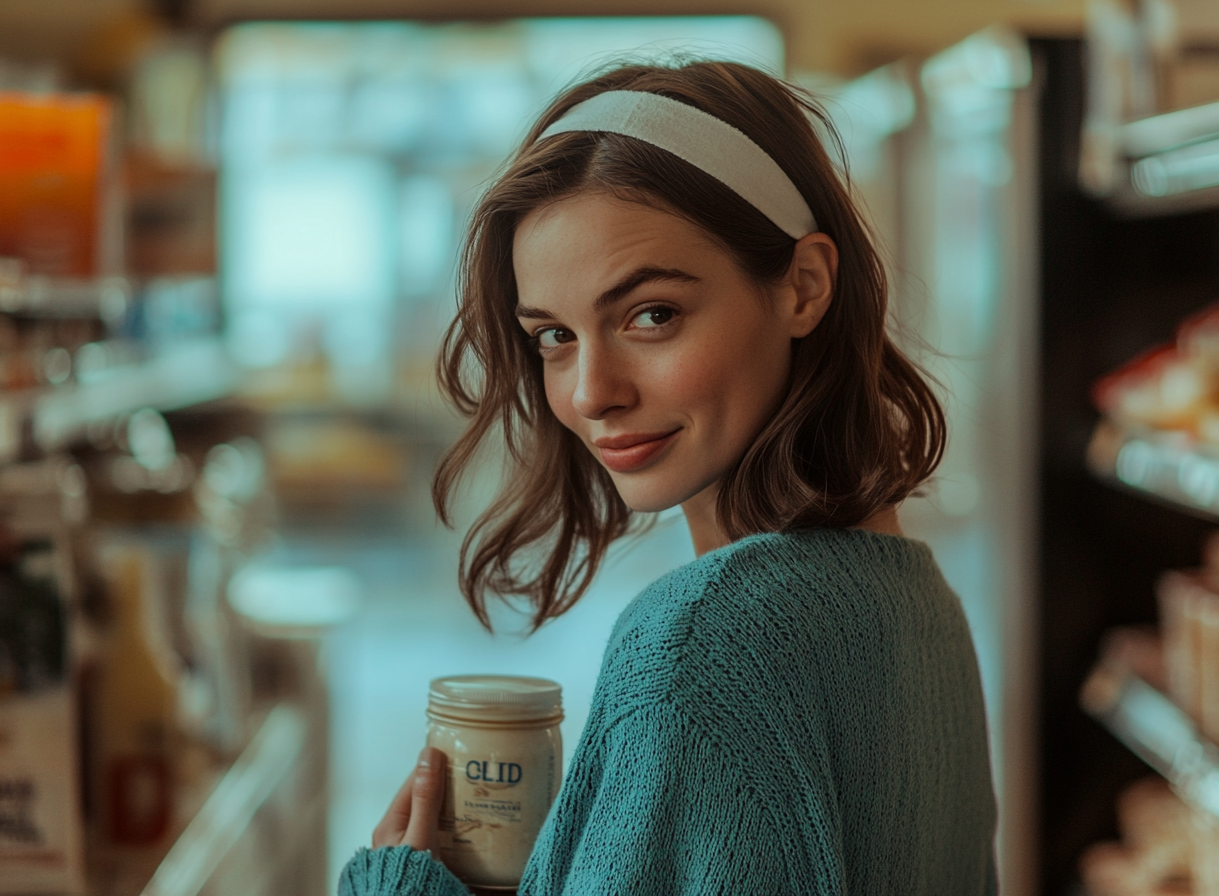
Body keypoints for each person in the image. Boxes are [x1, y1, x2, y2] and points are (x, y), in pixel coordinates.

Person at [339, 59, 997, 895]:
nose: (591, 393)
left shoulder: (702, 643)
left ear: (804, 286)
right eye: (554, 337)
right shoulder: (917, 603)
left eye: (652, 315)